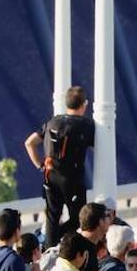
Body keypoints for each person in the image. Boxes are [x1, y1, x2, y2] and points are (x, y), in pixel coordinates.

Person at [26, 86, 95, 244]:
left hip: (50, 176)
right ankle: (66, 245)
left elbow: (29, 143)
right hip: (73, 179)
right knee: (79, 219)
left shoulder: (53, 121)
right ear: (84, 105)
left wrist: (40, 165)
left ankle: (49, 248)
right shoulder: (85, 125)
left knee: (52, 217)